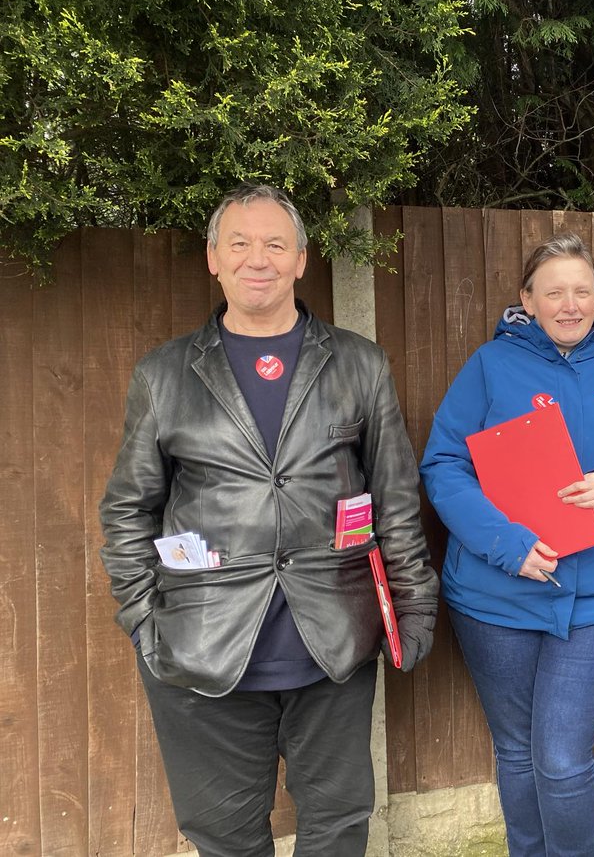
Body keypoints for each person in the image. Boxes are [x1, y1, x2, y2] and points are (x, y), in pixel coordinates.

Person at [99, 183, 438, 857]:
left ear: (302, 259)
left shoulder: (359, 365)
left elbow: (396, 497)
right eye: (241, 243)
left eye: (276, 244)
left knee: (339, 827)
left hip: (333, 645)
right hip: (201, 651)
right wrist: (146, 622)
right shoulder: (164, 375)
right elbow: (127, 509)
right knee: (224, 837)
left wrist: (414, 607)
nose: (260, 259)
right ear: (213, 259)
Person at [419, 232, 594, 857]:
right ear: (526, 299)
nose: (569, 303)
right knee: (518, 752)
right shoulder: (489, 367)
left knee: (560, 757)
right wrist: (508, 545)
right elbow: (444, 466)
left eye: (582, 291)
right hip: (495, 594)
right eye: (553, 291)